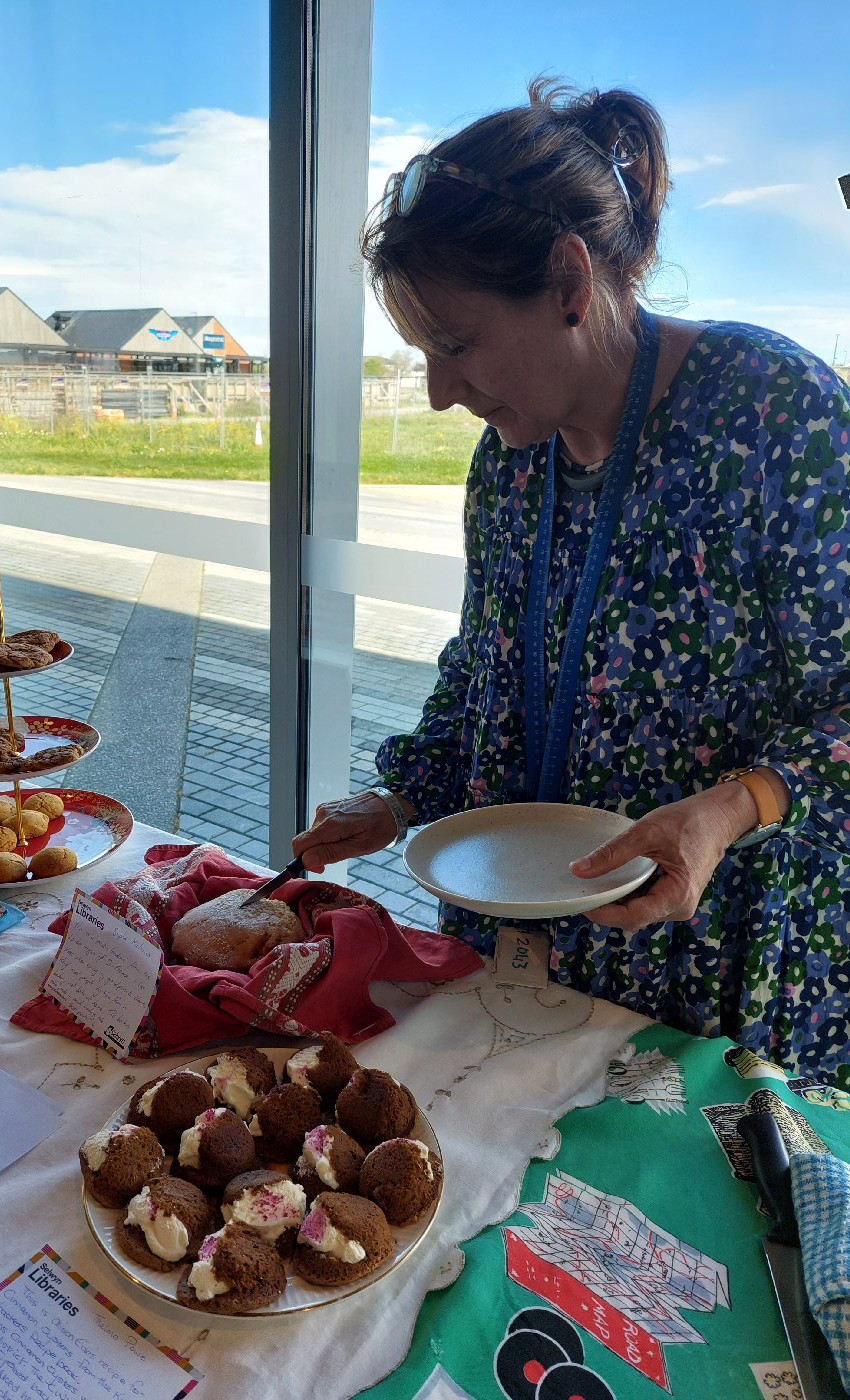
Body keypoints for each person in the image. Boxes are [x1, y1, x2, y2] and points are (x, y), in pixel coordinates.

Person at [291, 79, 850, 1089]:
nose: (438, 391)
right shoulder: (509, 463)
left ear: (567, 280)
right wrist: (397, 795)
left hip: (712, 978)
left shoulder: (773, 416)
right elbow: (483, 675)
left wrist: (729, 808)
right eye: (422, 353)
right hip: (519, 952)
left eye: (455, 345)